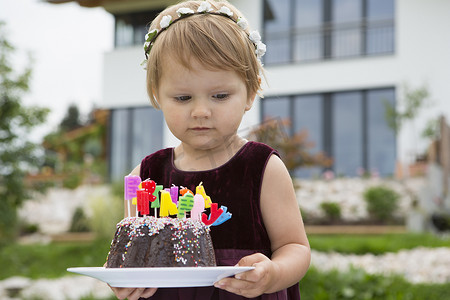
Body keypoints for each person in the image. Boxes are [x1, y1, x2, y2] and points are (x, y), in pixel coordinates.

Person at [109, 1, 311, 299]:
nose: (201, 111)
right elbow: (130, 249)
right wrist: (122, 281)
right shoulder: (146, 174)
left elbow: (295, 247)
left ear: (250, 93)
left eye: (219, 95)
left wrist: (273, 274)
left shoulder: (260, 167)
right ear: (157, 96)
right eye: (182, 97)